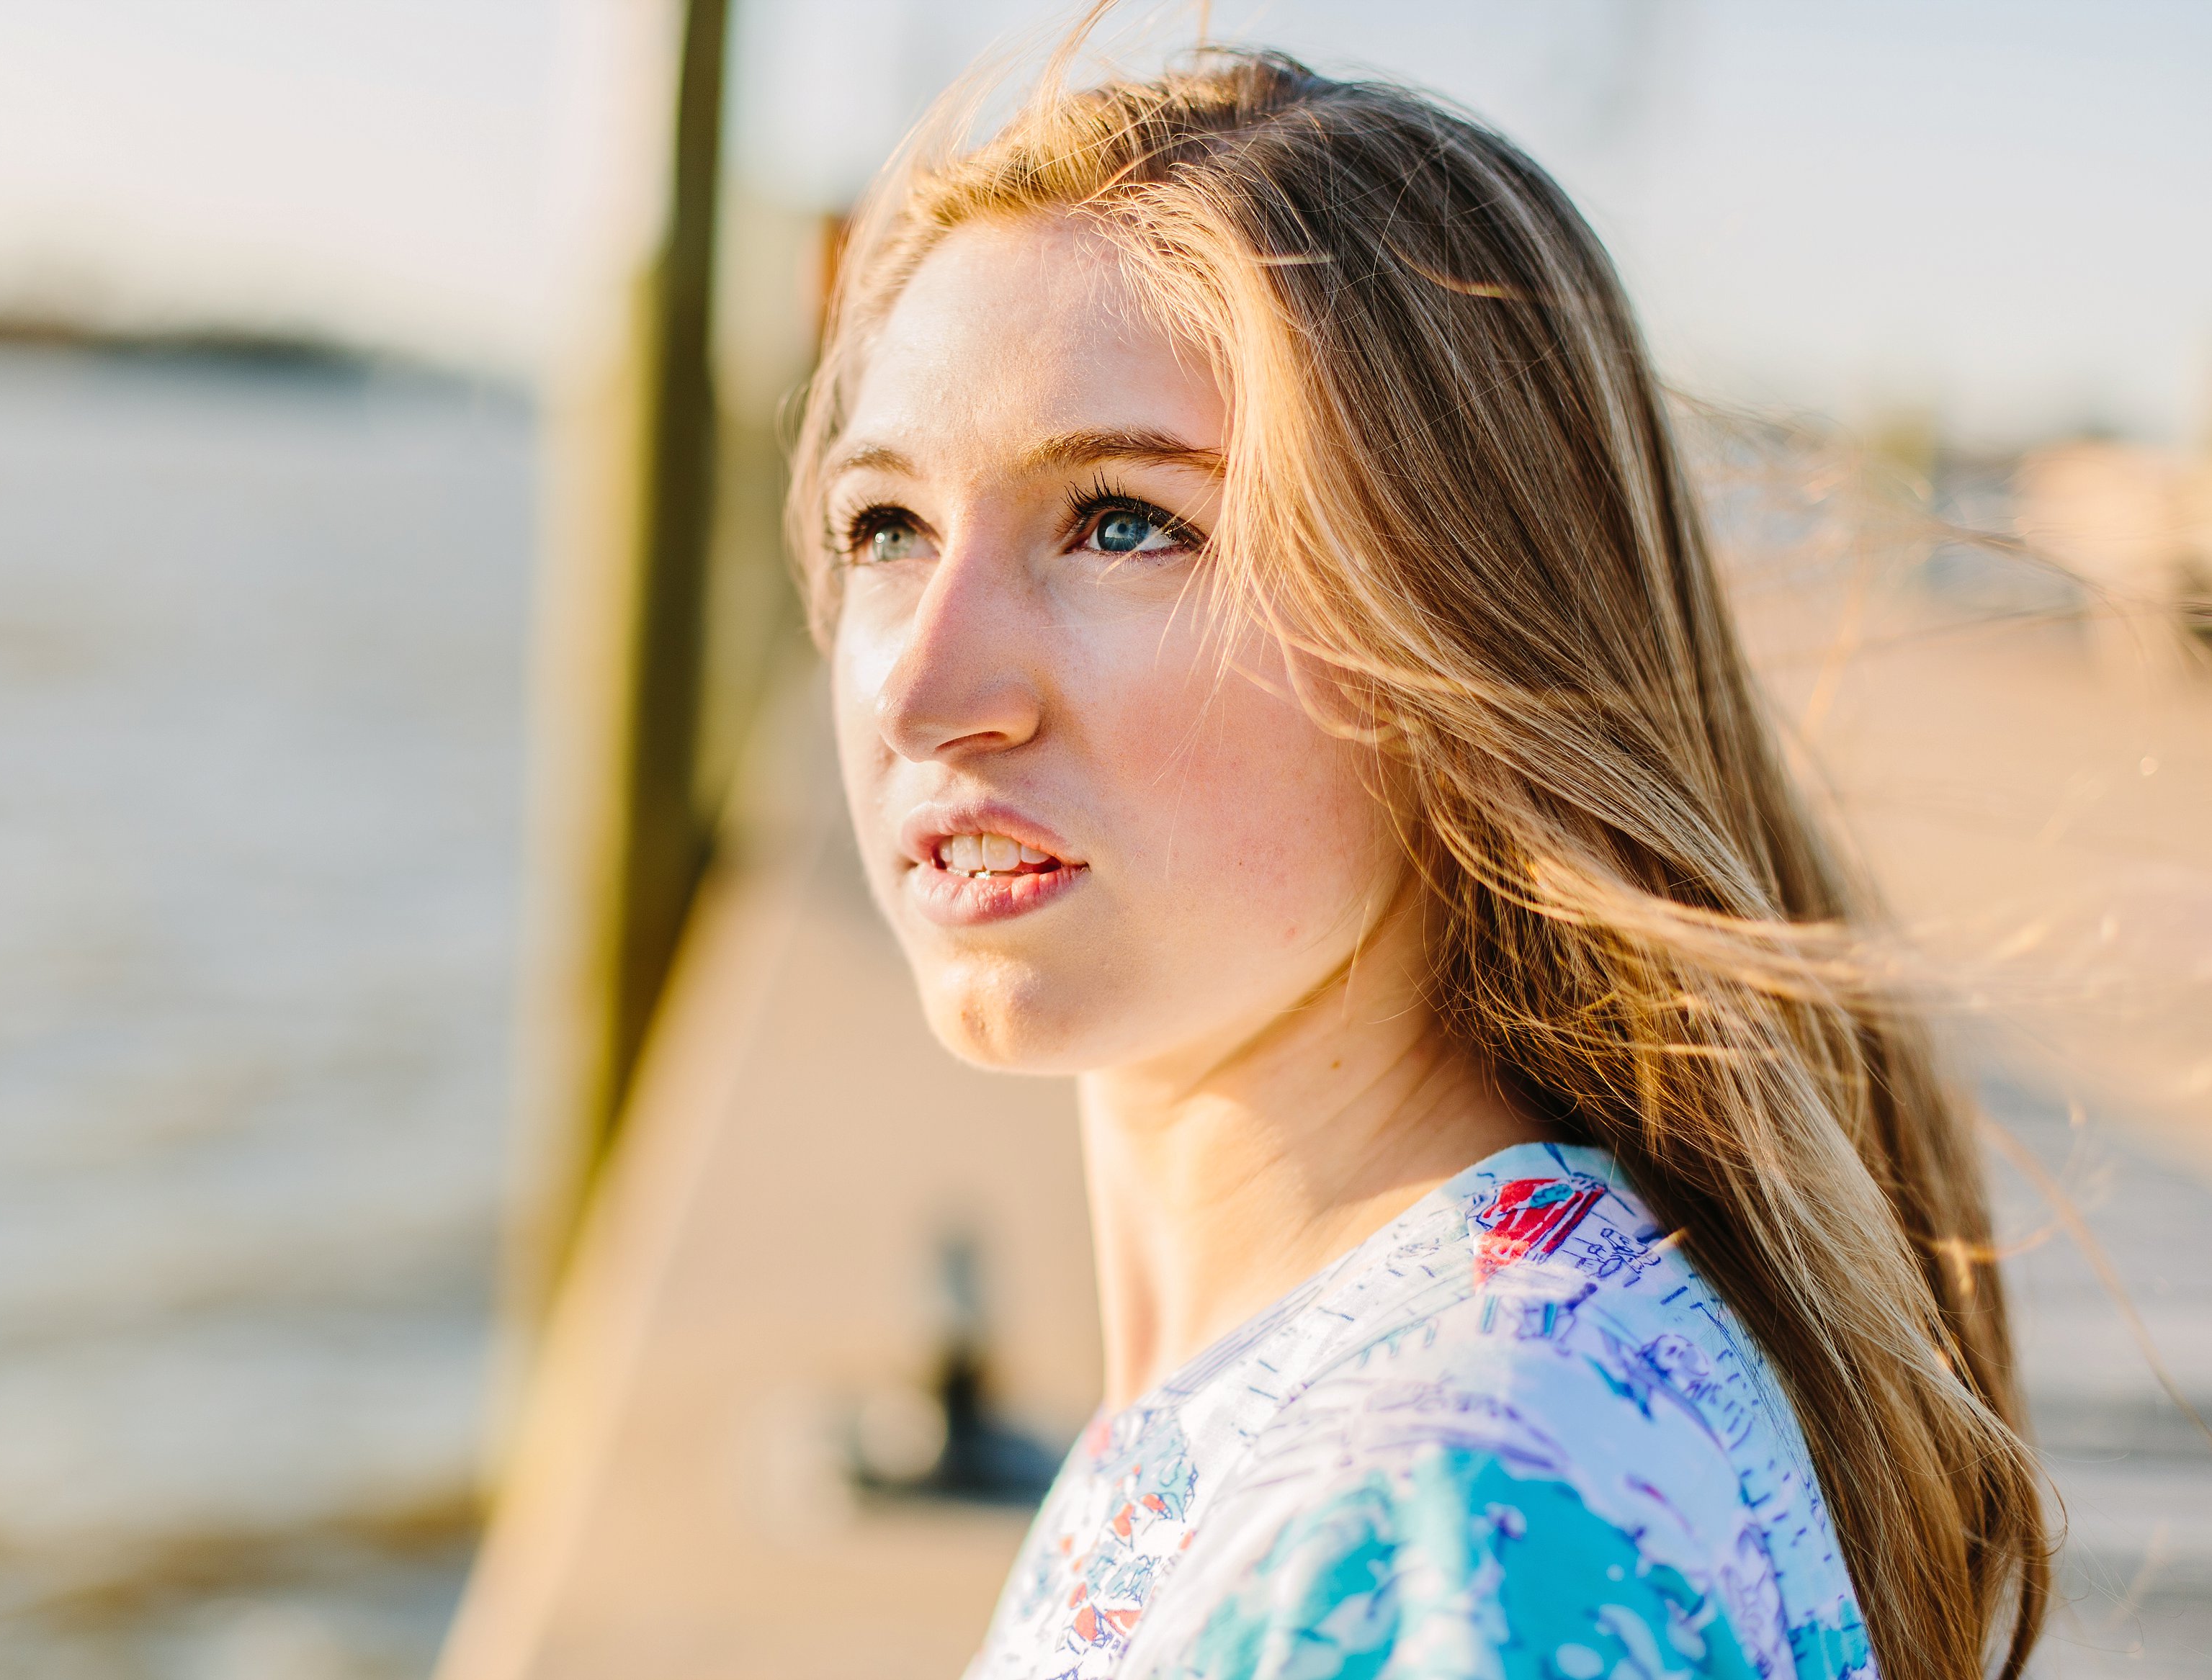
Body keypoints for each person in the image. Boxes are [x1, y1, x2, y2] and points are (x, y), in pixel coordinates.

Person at [788, 40, 2049, 1680]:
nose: (925, 690)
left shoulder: (1449, 1536)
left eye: (1124, 522)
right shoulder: (1394, 1378)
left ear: (1464, 629)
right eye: (886, 526)